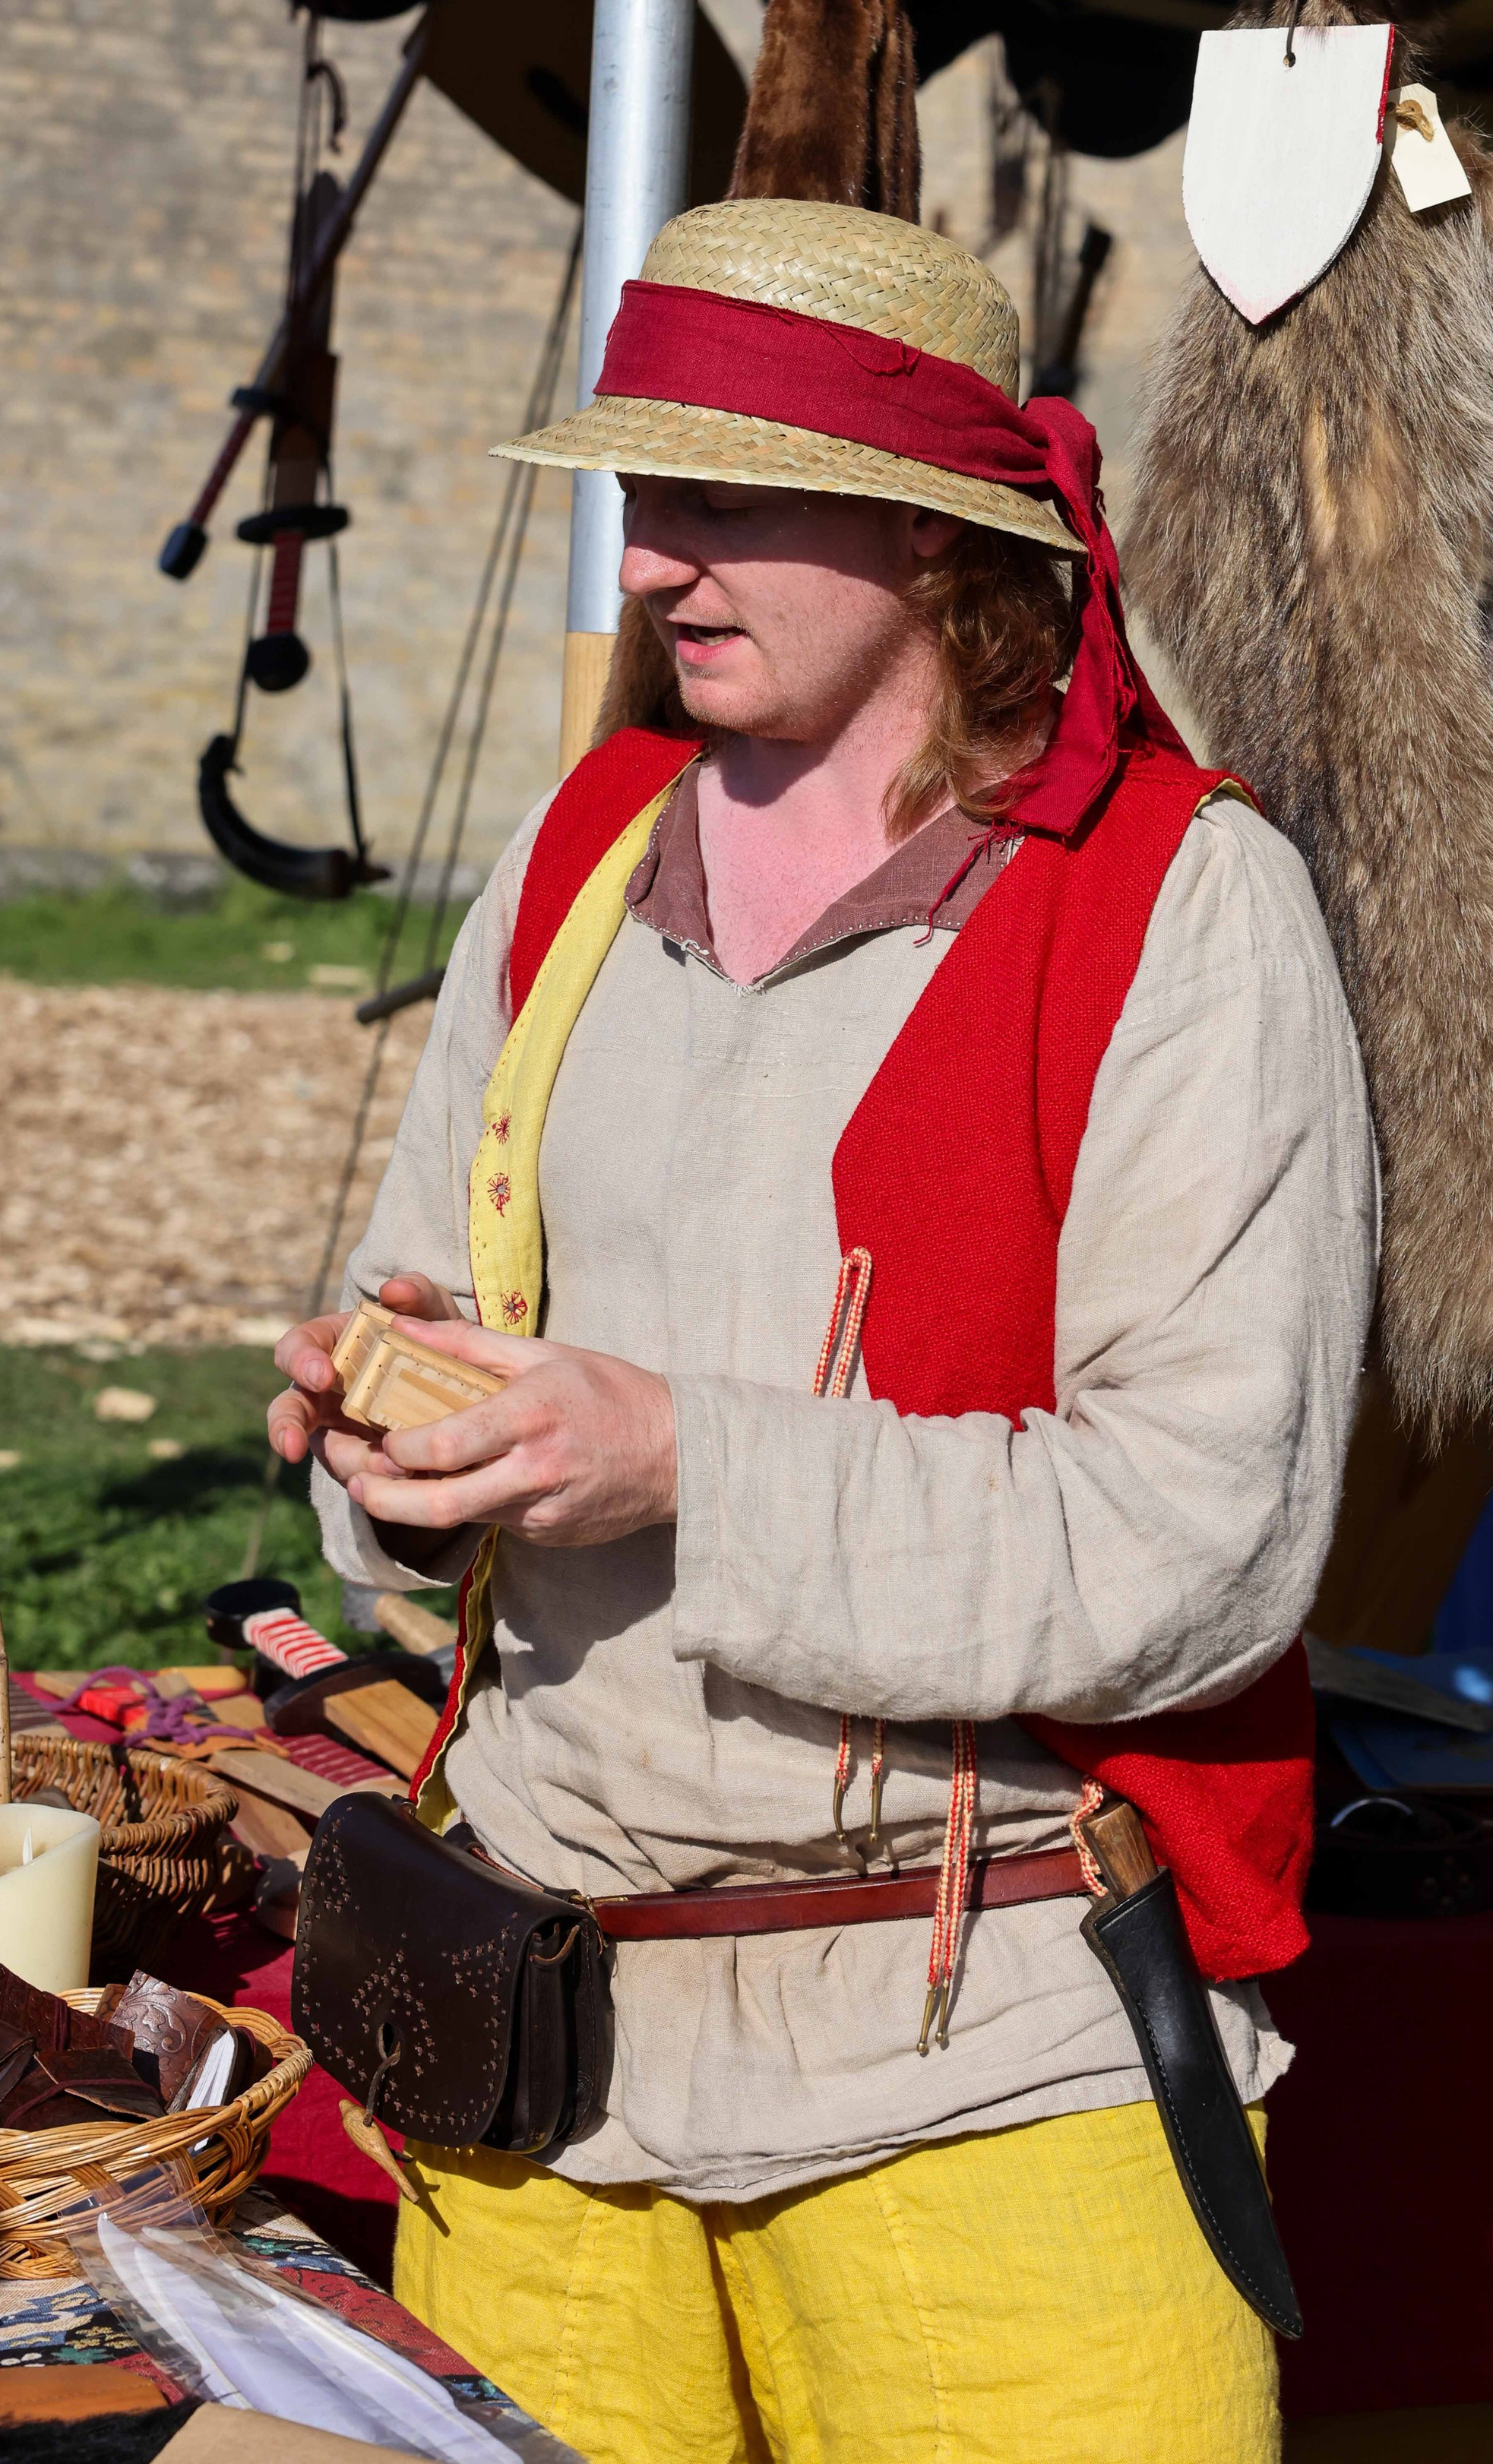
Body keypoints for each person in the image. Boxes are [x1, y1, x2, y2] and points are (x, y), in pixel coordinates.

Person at [267, 201, 1376, 2464]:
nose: (653, 562)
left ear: (934, 529)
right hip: (538, 2067)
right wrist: (393, 1460)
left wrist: (684, 1458)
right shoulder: (574, 857)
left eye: (726, 499)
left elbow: (1206, 1541)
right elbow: (433, 1304)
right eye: (640, 494)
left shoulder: (1179, 907)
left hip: (988, 2074)